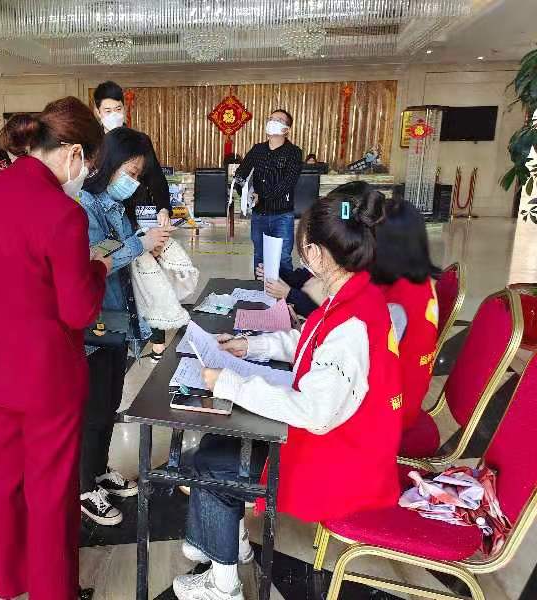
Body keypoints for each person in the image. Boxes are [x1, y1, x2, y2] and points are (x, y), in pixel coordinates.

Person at [172, 189, 403, 600]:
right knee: (218, 441)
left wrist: (229, 383)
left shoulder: (351, 322)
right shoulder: (356, 296)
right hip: (343, 440)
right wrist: (250, 347)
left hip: (338, 459)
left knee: (211, 463)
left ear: (314, 252)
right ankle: (230, 545)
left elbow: (314, 411)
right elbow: (309, 340)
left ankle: (223, 586)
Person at [0, 96, 110, 600]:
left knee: (5, 481)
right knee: (50, 491)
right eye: (87, 163)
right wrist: (98, 269)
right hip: (46, 374)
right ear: (72, 153)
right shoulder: (63, 213)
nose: (83, 174)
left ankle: (9, 580)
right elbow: (77, 311)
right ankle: (52, 591)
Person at [77, 127, 173, 526]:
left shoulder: (113, 205)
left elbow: (118, 247)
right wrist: (139, 244)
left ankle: (99, 471)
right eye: (130, 172)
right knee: (93, 408)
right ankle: (83, 487)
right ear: (109, 164)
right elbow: (94, 259)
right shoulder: (84, 205)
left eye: (137, 175)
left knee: (109, 401)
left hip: (118, 317)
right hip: (95, 320)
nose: (132, 181)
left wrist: (146, 239)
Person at [93, 80, 172, 360]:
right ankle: (120, 335)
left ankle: (153, 337)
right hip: (110, 224)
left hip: (136, 219)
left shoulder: (138, 141)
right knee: (118, 277)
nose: (114, 115)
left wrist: (163, 209)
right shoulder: (92, 145)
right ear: (97, 112)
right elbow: (96, 262)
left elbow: (156, 178)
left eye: (118, 109)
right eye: (108, 110)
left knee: (146, 275)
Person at [370, 191, 441, 434]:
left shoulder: (398, 302)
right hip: (408, 396)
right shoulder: (420, 281)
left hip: (389, 411)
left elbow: (363, 354)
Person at [234, 109, 302, 272]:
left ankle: (285, 288)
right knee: (260, 256)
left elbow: (287, 183)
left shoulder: (294, 152)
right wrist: (245, 194)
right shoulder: (257, 150)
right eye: (270, 118)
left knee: (283, 258)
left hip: (282, 216)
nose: (272, 122)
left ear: (287, 129)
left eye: (278, 120)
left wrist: (262, 196)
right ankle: (260, 288)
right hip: (259, 215)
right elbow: (240, 175)